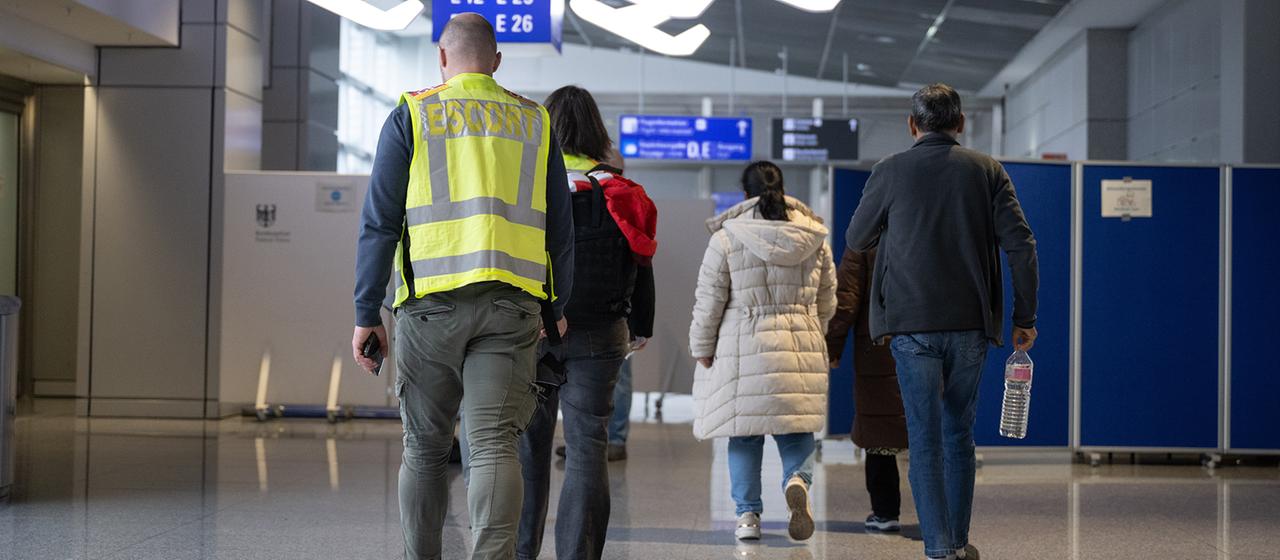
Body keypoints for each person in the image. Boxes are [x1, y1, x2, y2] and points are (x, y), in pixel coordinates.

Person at [351, 14, 574, 560]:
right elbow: (560, 228)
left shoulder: (413, 114)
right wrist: (556, 306)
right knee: (495, 445)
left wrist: (366, 311)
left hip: (430, 306)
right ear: (496, 61)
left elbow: (380, 221)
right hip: (511, 305)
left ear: (442, 58)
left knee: (425, 449)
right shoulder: (534, 120)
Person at [844, 83, 1039, 560]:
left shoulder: (890, 170)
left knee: (924, 438)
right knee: (959, 435)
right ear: (961, 124)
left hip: (911, 325)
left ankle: (937, 549)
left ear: (912, 125)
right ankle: (955, 541)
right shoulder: (987, 170)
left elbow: (857, 237)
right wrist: (1025, 316)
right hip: (971, 323)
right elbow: (1022, 246)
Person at [517, 85, 657, 560]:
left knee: (528, 447)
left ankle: (520, 552)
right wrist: (641, 324)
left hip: (533, 330)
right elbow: (641, 260)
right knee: (587, 447)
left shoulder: (528, 182)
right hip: (600, 331)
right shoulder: (620, 190)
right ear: (598, 133)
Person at [689, 161, 837, 542]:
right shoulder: (814, 236)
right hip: (800, 342)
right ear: (782, 189)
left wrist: (702, 347)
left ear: (745, 194)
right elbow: (827, 300)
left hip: (743, 348)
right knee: (796, 425)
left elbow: (709, 302)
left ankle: (747, 517)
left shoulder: (726, 238)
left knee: (743, 433)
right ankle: (797, 480)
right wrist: (813, 331)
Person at [825, 247, 909, 532]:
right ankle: (937, 516)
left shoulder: (866, 236)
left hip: (879, 343)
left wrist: (832, 346)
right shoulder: (932, 226)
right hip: (929, 338)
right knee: (931, 433)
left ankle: (885, 513)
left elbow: (845, 299)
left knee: (879, 430)